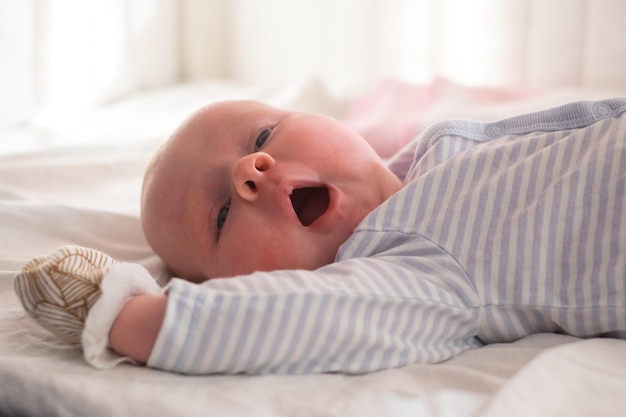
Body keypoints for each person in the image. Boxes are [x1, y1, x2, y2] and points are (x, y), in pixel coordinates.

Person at [14, 98, 626, 375]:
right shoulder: (414, 264)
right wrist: (126, 316)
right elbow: (292, 320)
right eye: (222, 217)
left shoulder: (431, 160)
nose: (247, 171)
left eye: (262, 137)